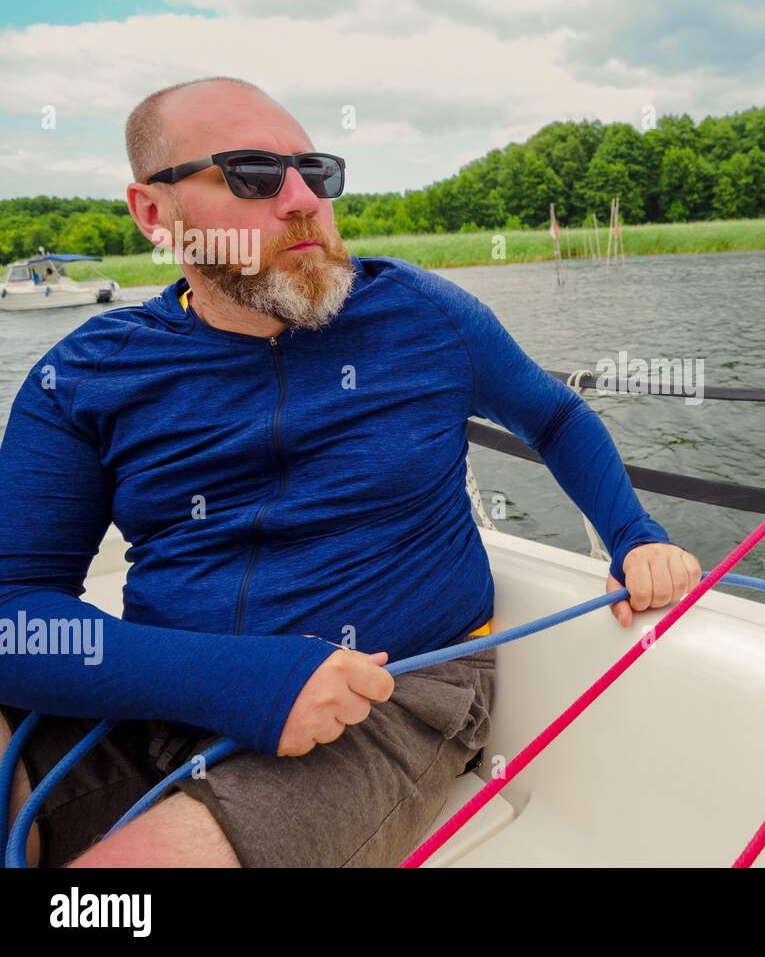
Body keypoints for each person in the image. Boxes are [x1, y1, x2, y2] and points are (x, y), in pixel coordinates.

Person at [0, 77, 701, 867]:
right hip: (156, 700)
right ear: (155, 213)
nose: (302, 200)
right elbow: (13, 614)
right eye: (253, 175)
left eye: (316, 172)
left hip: (393, 693)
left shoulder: (426, 316)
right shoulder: (88, 373)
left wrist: (634, 536)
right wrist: (226, 680)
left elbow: (557, 416)